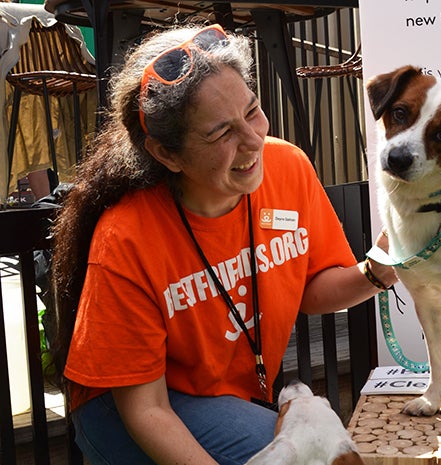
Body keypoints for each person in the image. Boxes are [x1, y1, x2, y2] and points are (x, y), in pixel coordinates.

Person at [49, 23, 397, 465]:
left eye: (252, 111)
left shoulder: (287, 166)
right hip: (126, 409)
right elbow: (146, 410)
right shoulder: (127, 238)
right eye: (221, 133)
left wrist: (381, 268)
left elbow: (310, 289)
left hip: (218, 396)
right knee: (313, 455)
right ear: (166, 154)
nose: (254, 142)